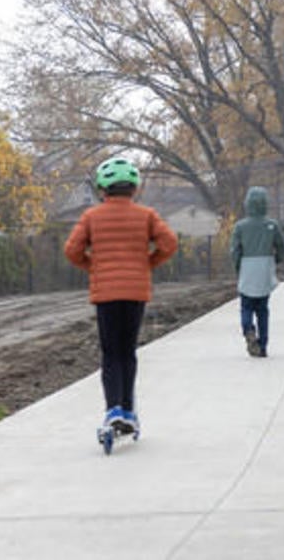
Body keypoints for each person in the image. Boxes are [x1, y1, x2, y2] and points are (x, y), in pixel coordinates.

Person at [64, 157, 178, 436]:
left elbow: (72, 250)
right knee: (128, 352)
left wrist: (94, 266)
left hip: (106, 294)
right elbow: (170, 243)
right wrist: (147, 263)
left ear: (103, 189)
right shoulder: (147, 215)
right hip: (136, 292)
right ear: (135, 189)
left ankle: (113, 408)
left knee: (110, 353)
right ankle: (128, 410)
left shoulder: (91, 217)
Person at [231, 187, 284, 358]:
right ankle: (263, 345)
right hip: (265, 267)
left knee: (246, 306)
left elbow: (235, 250)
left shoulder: (240, 226)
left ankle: (248, 328)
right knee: (263, 309)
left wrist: (238, 267)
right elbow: (282, 246)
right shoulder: (272, 225)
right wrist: (276, 260)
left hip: (247, 267)